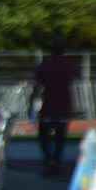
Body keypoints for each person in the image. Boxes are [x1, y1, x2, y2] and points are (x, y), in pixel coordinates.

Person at [29, 38, 79, 178]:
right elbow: (76, 76)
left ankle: (48, 160)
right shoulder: (69, 64)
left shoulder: (45, 64)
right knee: (60, 136)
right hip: (64, 104)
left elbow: (36, 86)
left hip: (48, 104)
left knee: (43, 135)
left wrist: (31, 104)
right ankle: (56, 161)